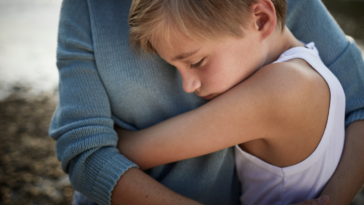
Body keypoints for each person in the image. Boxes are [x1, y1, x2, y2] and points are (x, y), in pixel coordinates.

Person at [49, 0, 364, 204]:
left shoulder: (280, 90)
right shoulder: (304, 68)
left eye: (196, 62)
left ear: (261, 20)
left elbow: (120, 150)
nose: (188, 86)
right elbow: (85, 157)